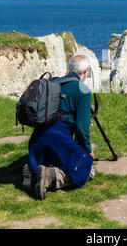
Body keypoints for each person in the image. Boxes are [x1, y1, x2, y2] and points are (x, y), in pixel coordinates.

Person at [22, 55, 95, 200]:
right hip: (58, 139)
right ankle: (48, 177)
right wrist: (88, 151)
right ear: (86, 71)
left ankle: (34, 170)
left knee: (53, 159)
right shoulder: (83, 90)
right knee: (87, 170)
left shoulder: (54, 81)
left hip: (37, 139)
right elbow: (82, 128)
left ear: (70, 69)